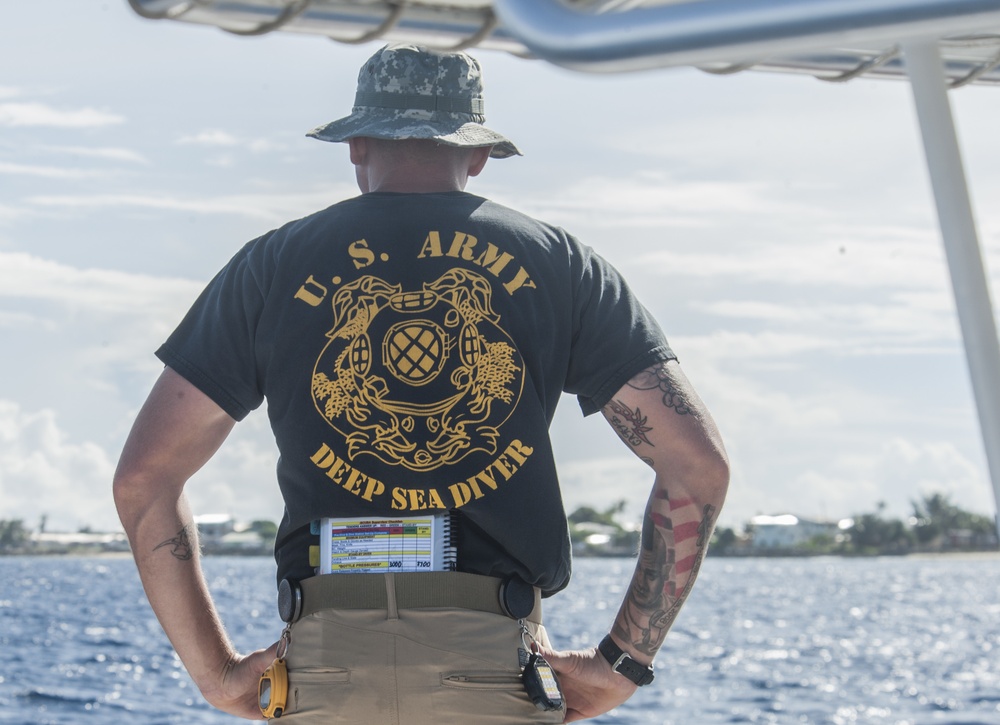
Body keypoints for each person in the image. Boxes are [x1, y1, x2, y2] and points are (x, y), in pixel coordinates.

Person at [113, 43, 729, 723]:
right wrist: (623, 661)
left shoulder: (270, 266)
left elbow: (144, 479)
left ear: (356, 145)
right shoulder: (562, 266)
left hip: (325, 670)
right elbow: (696, 466)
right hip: (491, 669)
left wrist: (216, 674)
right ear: (478, 153)